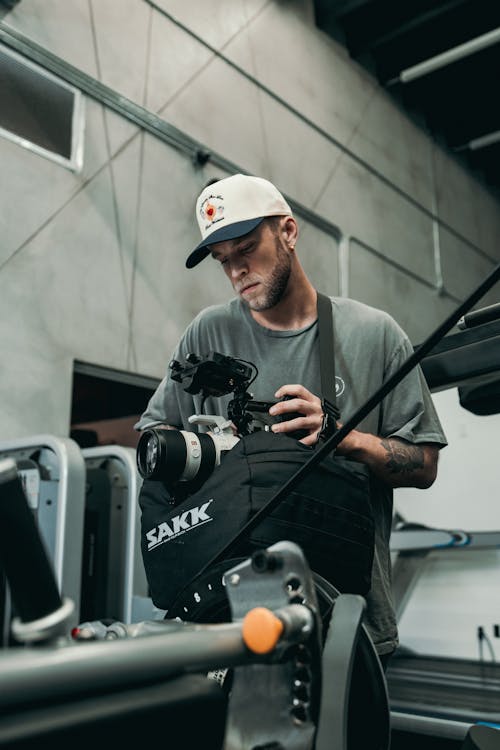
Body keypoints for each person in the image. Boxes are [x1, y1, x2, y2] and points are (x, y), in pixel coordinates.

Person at [135, 173, 447, 663]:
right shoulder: (207, 335)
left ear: (288, 232)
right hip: (225, 615)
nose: (237, 270)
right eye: (223, 261)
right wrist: (224, 454)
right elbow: (156, 445)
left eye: (246, 248)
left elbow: (424, 465)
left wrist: (343, 439)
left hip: (345, 619)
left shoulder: (374, 335)